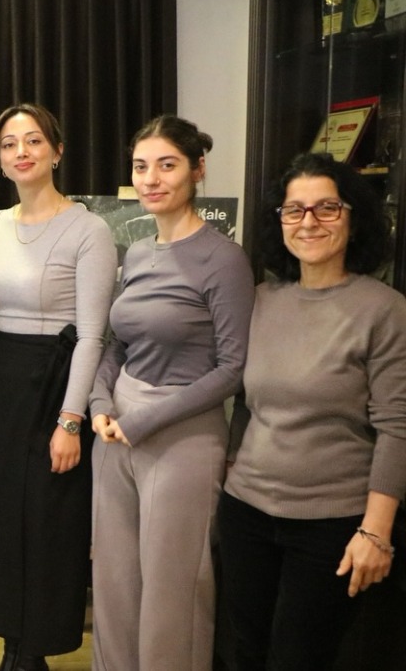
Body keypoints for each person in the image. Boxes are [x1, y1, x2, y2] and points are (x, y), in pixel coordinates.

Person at [218, 152, 406, 670]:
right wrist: (232, 467)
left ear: (353, 219)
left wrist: (376, 532)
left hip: (333, 524)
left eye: (327, 207)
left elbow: (397, 427)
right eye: (293, 209)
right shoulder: (259, 300)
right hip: (246, 514)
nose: (309, 222)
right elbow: (245, 401)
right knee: (245, 653)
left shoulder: (385, 310)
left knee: (298, 660)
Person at [88, 114, 254, 670]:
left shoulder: (224, 259)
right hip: (115, 430)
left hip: (183, 437)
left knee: (173, 593)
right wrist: (100, 403)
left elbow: (232, 369)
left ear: (197, 170)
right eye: (141, 167)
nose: (151, 179)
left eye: (167, 165)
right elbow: (117, 342)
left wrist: (140, 421)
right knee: (114, 584)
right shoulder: (137, 251)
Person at [0, 104, 116, 671]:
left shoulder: (90, 230)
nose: (21, 152)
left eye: (33, 141)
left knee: (48, 522)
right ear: (0, 159)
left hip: (55, 384)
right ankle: (11, 644)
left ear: (57, 151)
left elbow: (94, 335)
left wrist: (70, 420)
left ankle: (35, 650)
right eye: (9, 144)